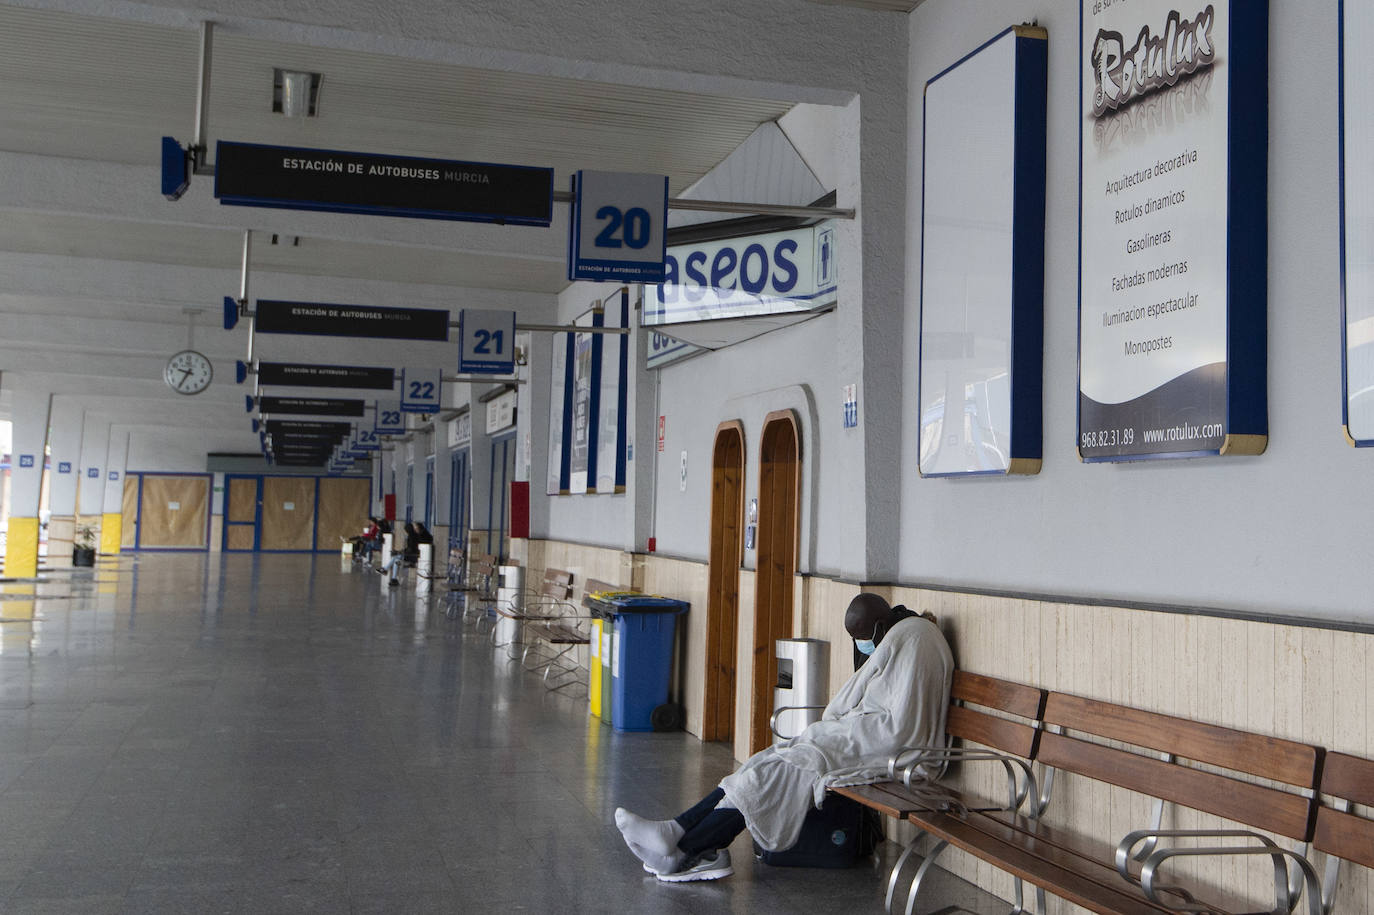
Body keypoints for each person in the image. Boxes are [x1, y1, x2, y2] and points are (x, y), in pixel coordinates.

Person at [614, 593, 953, 883]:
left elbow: (904, 726)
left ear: (879, 625)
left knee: (778, 771)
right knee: (767, 762)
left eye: (863, 636)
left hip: (894, 751)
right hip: (863, 739)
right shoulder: (905, 634)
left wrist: (842, 728)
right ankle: (676, 832)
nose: (863, 645)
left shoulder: (914, 639)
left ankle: (684, 848)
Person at [377, 522, 418, 586]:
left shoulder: (412, 537)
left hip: (412, 557)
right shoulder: (412, 536)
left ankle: (386, 570)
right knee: (396, 559)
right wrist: (400, 552)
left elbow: (411, 549)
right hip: (409, 555)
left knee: (397, 557)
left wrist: (400, 552)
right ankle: (393, 578)